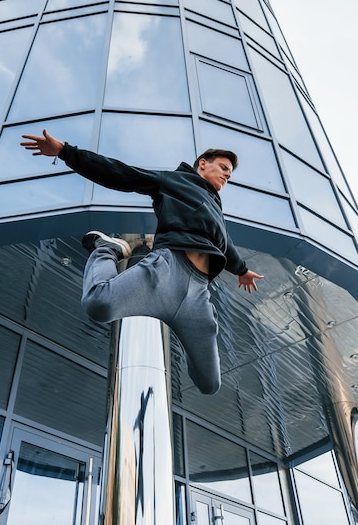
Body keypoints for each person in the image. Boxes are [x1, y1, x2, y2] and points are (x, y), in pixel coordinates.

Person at [21, 129, 264, 395]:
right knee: (98, 304)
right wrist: (66, 152)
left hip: (198, 294)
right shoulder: (175, 181)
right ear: (203, 163)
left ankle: (179, 329)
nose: (227, 175)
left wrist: (242, 270)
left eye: (229, 173)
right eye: (224, 168)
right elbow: (122, 174)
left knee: (209, 384)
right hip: (168, 269)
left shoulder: (216, 208)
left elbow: (225, 244)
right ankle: (105, 249)